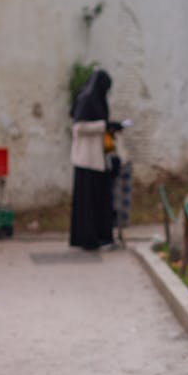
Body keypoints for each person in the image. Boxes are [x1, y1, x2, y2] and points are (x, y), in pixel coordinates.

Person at [69, 68, 125, 250]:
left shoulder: (98, 100)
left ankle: (102, 237)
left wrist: (112, 127)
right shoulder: (86, 99)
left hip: (99, 159)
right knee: (89, 203)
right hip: (87, 160)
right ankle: (89, 239)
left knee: (100, 200)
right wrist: (104, 126)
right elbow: (79, 127)